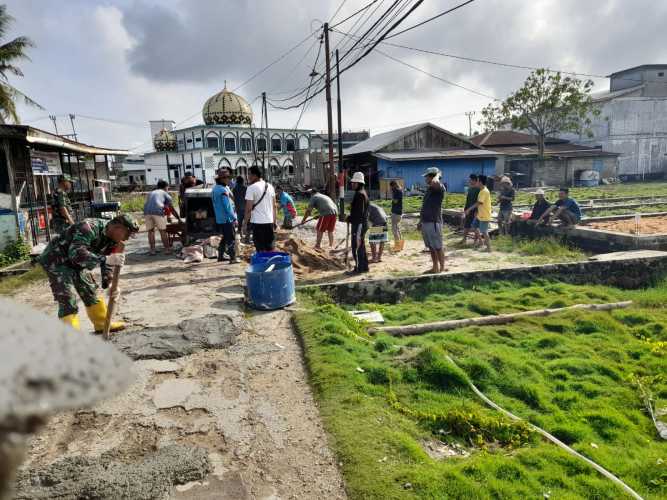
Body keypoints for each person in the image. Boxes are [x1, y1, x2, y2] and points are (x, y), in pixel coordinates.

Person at [37, 214, 139, 332]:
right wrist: (105, 259)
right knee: (67, 298)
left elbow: (108, 263)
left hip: (77, 263)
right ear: (118, 227)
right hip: (56, 260)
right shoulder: (88, 228)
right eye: (127, 234)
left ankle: (102, 323)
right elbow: (76, 253)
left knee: (90, 291)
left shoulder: (114, 239)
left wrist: (110, 284)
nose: (126, 238)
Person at [418, 167, 446, 273]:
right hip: (426, 221)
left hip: (433, 222)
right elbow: (425, 206)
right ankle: (435, 267)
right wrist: (420, 221)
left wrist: (437, 175)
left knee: (438, 247)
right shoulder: (429, 189)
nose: (425, 178)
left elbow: (435, 182)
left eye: (427, 176)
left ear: (432, 177)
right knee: (431, 247)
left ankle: (442, 269)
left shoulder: (439, 187)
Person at [243, 165, 277, 252]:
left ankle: (263, 265)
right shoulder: (270, 186)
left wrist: (245, 223)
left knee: (260, 249)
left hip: (258, 223)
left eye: (249, 174)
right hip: (269, 222)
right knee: (270, 248)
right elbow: (274, 206)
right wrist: (274, 222)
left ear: (255, 175)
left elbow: (248, 209)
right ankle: (270, 264)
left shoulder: (251, 188)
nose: (248, 176)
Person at [143, 180, 179, 255]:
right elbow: (171, 208)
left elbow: (166, 208)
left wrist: (168, 215)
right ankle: (167, 250)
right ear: (166, 187)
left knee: (151, 231)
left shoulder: (152, 192)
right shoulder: (165, 194)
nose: (168, 189)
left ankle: (152, 250)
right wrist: (178, 218)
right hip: (157, 212)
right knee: (162, 231)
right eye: (168, 188)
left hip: (146, 212)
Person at [212, 169, 238, 263]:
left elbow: (231, 196)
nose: (229, 179)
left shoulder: (216, 188)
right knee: (231, 238)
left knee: (225, 237)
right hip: (227, 218)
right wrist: (234, 218)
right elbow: (227, 206)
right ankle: (233, 258)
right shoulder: (222, 190)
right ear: (222, 179)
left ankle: (220, 256)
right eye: (227, 177)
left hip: (220, 218)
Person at [346, 172, 369, 274]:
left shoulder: (360, 194)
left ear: (359, 183)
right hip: (361, 223)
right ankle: (364, 267)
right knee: (361, 246)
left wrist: (350, 218)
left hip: (359, 224)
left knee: (357, 247)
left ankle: (359, 268)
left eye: (354, 183)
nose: (352, 184)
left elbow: (359, 213)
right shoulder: (362, 192)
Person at [465, 174, 492, 252]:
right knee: (474, 226)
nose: (476, 182)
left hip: (484, 215)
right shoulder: (481, 190)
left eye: (477, 181)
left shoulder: (484, 191)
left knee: (484, 231)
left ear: (480, 182)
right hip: (480, 214)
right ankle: (481, 242)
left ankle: (489, 248)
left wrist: (469, 209)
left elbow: (479, 203)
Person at [461, 174, 480, 244]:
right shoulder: (470, 189)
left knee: (475, 226)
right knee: (466, 225)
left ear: (474, 180)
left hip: (475, 210)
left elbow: (479, 202)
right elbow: (468, 200)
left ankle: (476, 241)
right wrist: (465, 210)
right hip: (469, 210)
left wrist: (477, 211)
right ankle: (464, 239)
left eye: (470, 180)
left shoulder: (479, 189)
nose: (469, 181)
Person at [390, 180, 403, 249]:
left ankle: (397, 246)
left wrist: (391, 197)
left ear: (394, 185)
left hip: (396, 213)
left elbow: (395, 201)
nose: (391, 188)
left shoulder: (397, 191)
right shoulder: (400, 190)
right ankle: (400, 245)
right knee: (397, 229)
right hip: (399, 212)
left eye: (391, 186)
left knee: (394, 230)